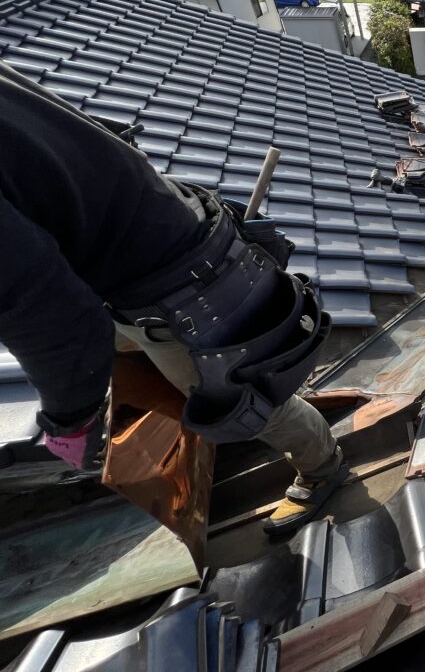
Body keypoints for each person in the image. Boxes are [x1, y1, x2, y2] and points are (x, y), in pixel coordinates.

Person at [0, 62, 347, 535]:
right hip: (161, 227)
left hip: (176, 286)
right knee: (132, 357)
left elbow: (56, 321)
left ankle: (323, 465)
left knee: (246, 403)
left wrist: (70, 421)